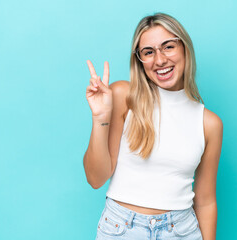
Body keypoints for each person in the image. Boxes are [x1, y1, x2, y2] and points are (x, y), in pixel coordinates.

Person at [83, 12, 223, 240]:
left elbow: (206, 202)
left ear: (184, 48)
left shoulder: (209, 123)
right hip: (121, 229)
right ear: (139, 60)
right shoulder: (123, 95)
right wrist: (100, 117)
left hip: (181, 231)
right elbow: (95, 178)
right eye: (148, 52)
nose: (160, 60)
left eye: (168, 47)